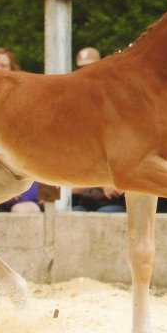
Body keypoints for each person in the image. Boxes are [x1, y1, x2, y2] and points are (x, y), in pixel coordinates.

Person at [0, 47, 41, 213]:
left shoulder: (25, 101)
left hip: (22, 183)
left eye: (3, 65)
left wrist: (20, 193)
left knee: (23, 209)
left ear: (12, 69)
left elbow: (33, 150)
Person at [72, 47, 126, 212]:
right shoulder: (72, 109)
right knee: (74, 215)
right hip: (82, 197)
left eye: (90, 66)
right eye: (81, 68)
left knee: (107, 213)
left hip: (115, 198)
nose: (86, 72)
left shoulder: (116, 105)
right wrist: (102, 184)